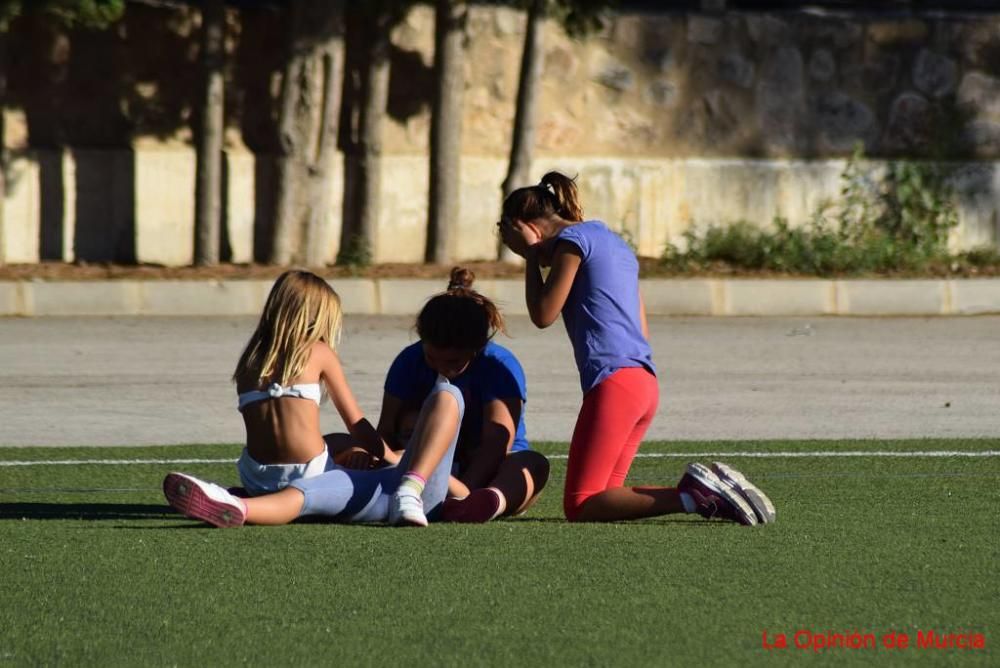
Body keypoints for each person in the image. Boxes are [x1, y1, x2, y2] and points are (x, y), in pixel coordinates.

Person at [497, 172, 775, 525]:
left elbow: (543, 314)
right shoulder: (613, 242)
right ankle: (707, 493)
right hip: (643, 383)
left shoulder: (571, 242)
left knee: (581, 505)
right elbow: (639, 325)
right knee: (603, 502)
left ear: (523, 226)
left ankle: (695, 495)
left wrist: (531, 256)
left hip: (614, 385)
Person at [162, 269, 464, 527]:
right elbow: (357, 425)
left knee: (334, 452)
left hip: (256, 477)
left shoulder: (251, 361)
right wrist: (392, 459)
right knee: (344, 489)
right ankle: (237, 507)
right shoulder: (319, 353)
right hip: (309, 473)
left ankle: (240, 496)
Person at [374, 267, 549, 523]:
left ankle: (490, 501)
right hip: (427, 469)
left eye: (454, 361)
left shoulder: (499, 365)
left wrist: (466, 491)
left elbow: (497, 442)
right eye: (432, 358)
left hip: (487, 471)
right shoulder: (408, 361)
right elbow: (386, 429)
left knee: (532, 464)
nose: (444, 368)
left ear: (477, 348)